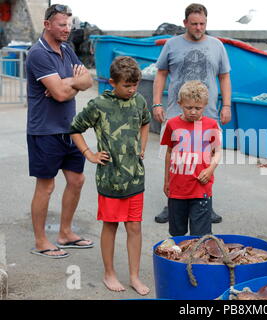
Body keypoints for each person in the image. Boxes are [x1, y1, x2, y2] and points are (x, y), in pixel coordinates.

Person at [69, 56, 150, 295]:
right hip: (110, 179)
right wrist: (89, 154)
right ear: (113, 82)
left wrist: (142, 146)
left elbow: (145, 123)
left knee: (134, 227)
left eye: (135, 85)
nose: (132, 89)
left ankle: (134, 276)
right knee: (111, 225)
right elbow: (75, 128)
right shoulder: (99, 104)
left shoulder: (138, 100)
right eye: (127, 85)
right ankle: (109, 273)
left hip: (135, 177)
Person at [152, 3, 231, 225]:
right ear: (185, 22)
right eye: (194, 23)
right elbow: (161, 74)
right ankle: (172, 202)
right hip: (178, 113)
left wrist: (226, 106)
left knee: (205, 158)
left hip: (209, 113)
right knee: (175, 157)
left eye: (202, 24)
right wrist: (157, 104)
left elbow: (224, 76)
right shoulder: (172, 44)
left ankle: (205, 202)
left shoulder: (217, 46)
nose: (198, 28)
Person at [26, 4, 94, 259]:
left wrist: (69, 83)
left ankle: (65, 233)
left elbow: (88, 81)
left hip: (70, 129)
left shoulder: (67, 49)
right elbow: (60, 94)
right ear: (47, 25)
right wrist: (69, 85)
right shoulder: (38, 54)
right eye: (62, 25)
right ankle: (41, 240)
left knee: (77, 180)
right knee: (46, 186)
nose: (67, 30)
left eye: (69, 24)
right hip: (44, 131)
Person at [161, 80, 221, 236]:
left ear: (205, 105)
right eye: (189, 108)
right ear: (180, 103)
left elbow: (217, 153)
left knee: (200, 237)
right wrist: (166, 180)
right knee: (177, 234)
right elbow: (169, 152)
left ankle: (197, 261)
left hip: (201, 189)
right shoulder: (172, 124)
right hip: (177, 189)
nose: (193, 111)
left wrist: (210, 169)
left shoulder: (211, 125)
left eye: (198, 108)